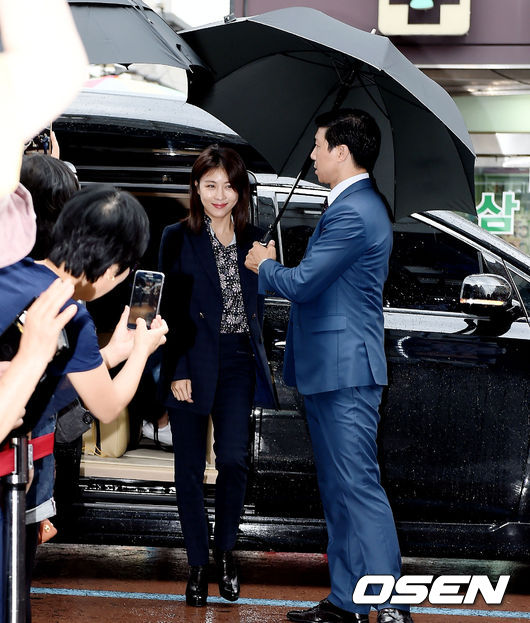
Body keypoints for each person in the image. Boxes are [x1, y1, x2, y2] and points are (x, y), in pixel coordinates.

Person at [245, 109, 412, 623]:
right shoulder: (351, 205)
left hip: (346, 372)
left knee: (358, 487)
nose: (312, 154)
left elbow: (302, 284)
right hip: (331, 369)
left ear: (342, 151)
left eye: (319, 145)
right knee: (340, 491)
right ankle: (346, 601)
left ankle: (389, 606)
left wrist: (263, 265)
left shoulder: (355, 211)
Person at [158, 145, 275, 607]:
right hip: (190, 358)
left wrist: (266, 266)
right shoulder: (176, 236)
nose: (220, 195)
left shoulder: (258, 238)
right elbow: (163, 307)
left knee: (232, 459)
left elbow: (266, 300)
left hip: (238, 360)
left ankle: (226, 552)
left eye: (228, 185)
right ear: (196, 188)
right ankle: (196, 563)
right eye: (210, 185)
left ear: (240, 189)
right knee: (187, 468)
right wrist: (176, 369)